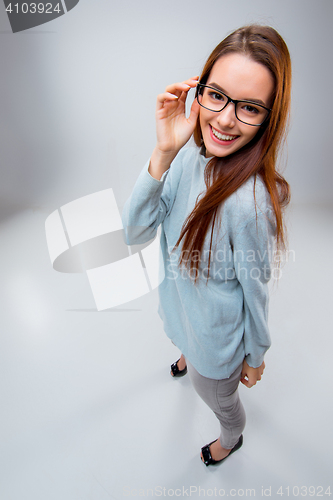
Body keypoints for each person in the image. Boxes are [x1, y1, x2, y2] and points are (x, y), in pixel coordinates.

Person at [122, 24, 291, 466]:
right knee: (181, 336)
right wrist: (162, 153)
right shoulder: (184, 155)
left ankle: (232, 436)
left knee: (216, 395)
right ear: (198, 90)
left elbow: (256, 289)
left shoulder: (248, 205)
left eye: (250, 107)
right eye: (216, 95)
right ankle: (185, 349)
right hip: (182, 308)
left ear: (269, 118)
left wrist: (255, 356)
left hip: (215, 342)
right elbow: (135, 233)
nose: (224, 119)